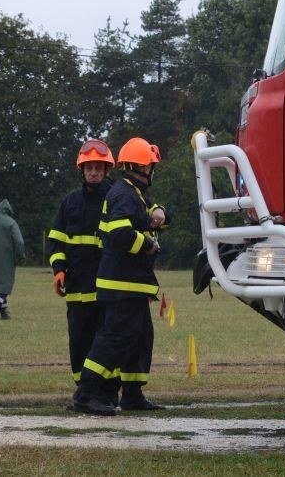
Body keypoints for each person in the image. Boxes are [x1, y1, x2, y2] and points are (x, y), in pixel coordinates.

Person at [74, 137, 168, 415]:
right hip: (121, 284)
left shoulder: (134, 193)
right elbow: (119, 233)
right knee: (114, 338)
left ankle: (132, 394)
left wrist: (161, 212)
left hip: (133, 284)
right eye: (151, 165)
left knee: (139, 338)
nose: (152, 170)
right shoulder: (123, 194)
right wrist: (148, 245)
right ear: (143, 167)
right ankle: (87, 393)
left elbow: (150, 216)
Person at [47, 139, 117, 405]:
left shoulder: (115, 199)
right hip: (77, 287)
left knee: (105, 342)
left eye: (99, 168)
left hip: (106, 287)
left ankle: (107, 392)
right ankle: (84, 391)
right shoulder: (70, 202)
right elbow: (57, 240)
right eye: (89, 168)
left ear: (106, 170)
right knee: (79, 341)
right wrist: (58, 270)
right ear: (82, 170)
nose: (94, 173)